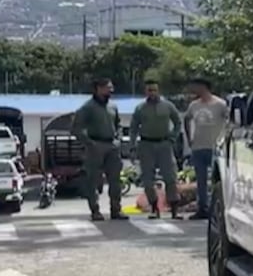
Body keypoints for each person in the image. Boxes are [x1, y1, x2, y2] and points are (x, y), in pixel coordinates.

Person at [72, 78, 126, 222]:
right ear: (98, 89)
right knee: (93, 181)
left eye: (111, 87)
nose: (111, 90)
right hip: (95, 146)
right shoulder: (87, 107)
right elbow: (76, 128)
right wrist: (89, 143)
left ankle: (116, 210)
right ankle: (95, 210)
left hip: (112, 146)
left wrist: (118, 139)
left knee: (115, 181)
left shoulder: (113, 106)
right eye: (108, 88)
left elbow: (118, 125)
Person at [130, 80, 183, 219]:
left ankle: (174, 210)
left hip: (164, 144)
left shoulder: (168, 106)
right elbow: (133, 128)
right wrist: (132, 145)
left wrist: (172, 138)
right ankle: (154, 208)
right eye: (149, 90)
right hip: (146, 145)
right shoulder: (140, 108)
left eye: (154, 90)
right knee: (147, 179)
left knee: (170, 177)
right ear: (145, 92)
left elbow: (178, 122)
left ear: (158, 91)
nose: (152, 93)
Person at [184, 77, 228, 220]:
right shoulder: (194, 105)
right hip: (198, 146)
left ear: (203, 86)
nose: (193, 89)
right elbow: (187, 119)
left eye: (195, 86)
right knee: (200, 180)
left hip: (215, 146)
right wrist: (190, 138)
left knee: (216, 180)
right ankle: (202, 208)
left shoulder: (220, 104)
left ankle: (218, 208)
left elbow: (230, 120)